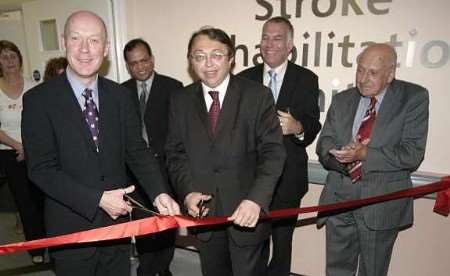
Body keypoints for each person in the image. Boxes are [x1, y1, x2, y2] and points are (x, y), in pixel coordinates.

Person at [21, 10, 180, 276]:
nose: (85, 49)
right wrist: (97, 199)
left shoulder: (120, 96)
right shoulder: (39, 100)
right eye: (76, 38)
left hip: (116, 228)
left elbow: (137, 151)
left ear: (106, 48)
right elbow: (41, 169)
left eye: (94, 40)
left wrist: (159, 193)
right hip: (71, 230)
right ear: (64, 42)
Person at [165, 27, 286, 276]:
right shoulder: (180, 101)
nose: (208, 64)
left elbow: (273, 154)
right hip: (206, 218)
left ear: (231, 59)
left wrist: (256, 199)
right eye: (199, 56)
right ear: (191, 62)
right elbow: (175, 154)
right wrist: (187, 193)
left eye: (216, 55)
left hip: (247, 214)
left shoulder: (257, 96)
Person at [316, 43, 429, 276]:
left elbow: (412, 153)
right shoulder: (343, 100)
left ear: (391, 74)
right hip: (339, 198)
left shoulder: (413, 98)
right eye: (360, 70)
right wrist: (342, 158)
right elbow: (323, 144)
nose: (363, 78)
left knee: (373, 271)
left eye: (373, 72)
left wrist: (365, 154)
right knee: (337, 270)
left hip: (381, 202)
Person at [238, 16, 321, 276]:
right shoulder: (243, 79)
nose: (269, 44)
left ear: (290, 45)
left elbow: (312, 122)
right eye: (265, 37)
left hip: (288, 178)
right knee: (254, 245)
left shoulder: (306, 78)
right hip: (250, 179)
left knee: (282, 246)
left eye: (277, 38)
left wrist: (297, 127)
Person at [122, 38, 183, 276]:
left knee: (167, 225)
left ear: (152, 59)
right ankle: (147, 270)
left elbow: (180, 132)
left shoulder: (174, 87)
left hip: (167, 169)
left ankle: (162, 267)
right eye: (134, 63)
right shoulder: (121, 92)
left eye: (144, 60)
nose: (141, 67)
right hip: (135, 173)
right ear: (128, 66)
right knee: (144, 225)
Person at [0, 40, 46, 264]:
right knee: (25, 202)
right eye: (4, 57)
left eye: (13, 55)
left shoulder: (33, 86)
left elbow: (43, 122)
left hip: (36, 150)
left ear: (20, 58)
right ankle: (36, 249)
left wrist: (29, 147)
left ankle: (52, 242)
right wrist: (18, 146)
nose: (9, 61)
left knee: (43, 200)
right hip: (10, 153)